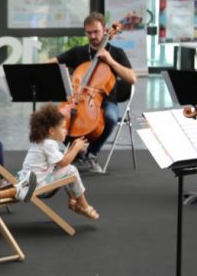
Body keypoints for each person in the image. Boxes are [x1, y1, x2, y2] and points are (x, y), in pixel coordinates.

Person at [46, 12, 137, 173]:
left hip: (107, 100)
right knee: (60, 117)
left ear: (105, 30)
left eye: (96, 32)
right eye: (89, 32)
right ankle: (77, 154)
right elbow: (53, 62)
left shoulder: (116, 53)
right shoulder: (78, 52)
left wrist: (110, 61)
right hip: (80, 98)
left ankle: (91, 154)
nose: (93, 36)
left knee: (109, 117)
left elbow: (132, 78)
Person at [20, 105, 98, 220]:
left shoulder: (41, 142)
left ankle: (73, 200)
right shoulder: (49, 144)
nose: (66, 131)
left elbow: (60, 162)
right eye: (62, 128)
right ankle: (83, 205)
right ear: (51, 131)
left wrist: (72, 147)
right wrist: (76, 149)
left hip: (28, 183)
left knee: (64, 171)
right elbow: (63, 163)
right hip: (37, 186)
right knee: (71, 170)